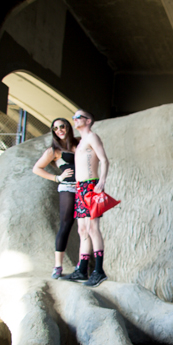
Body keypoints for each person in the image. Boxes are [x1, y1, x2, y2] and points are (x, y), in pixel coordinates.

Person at [61, 110, 110, 287]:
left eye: (78, 117)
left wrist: (102, 181)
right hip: (81, 187)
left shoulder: (92, 137)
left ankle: (99, 271)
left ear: (88, 120)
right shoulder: (81, 141)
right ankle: (81, 269)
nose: (74, 120)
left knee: (92, 227)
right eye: (73, 117)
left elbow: (104, 160)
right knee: (82, 229)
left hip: (91, 185)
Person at [32, 117, 78, 279]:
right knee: (65, 224)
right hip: (68, 188)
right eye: (55, 128)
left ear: (68, 127)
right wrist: (57, 178)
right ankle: (58, 266)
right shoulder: (54, 150)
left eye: (62, 126)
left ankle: (83, 264)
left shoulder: (78, 144)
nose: (59, 130)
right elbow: (37, 168)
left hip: (85, 188)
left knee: (86, 226)